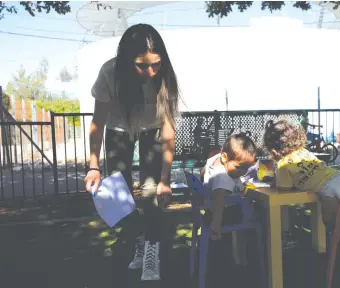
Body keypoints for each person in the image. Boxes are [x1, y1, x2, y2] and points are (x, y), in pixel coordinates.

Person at [84, 24, 180, 281]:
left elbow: (168, 130)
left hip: (153, 131)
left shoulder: (166, 76)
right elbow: (98, 121)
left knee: (152, 193)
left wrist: (165, 179)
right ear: (127, 60)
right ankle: (140, 236)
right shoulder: (110, 72)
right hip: (118, 128)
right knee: (118, 194)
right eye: (141, 65)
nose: (150, 71)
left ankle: (151, 248)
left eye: (156, 64)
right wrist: (94, 166)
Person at [263, 119, 340, 231]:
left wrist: (275, 182)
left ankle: (339, 241)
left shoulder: (282, 165)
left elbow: (285, 188)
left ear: (272, 149)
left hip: (330, 191)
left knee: (332, 226)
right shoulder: (304, 151)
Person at [201, 133, 258, 240]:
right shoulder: (223, 177)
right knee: (262, 214)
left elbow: (203, 171)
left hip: (209, 211)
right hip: (226, 215)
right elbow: (219, 200)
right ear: (224, 157)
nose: (242, 172)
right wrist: (216, 223)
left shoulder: (214, 159)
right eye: (239, 167)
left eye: (246, 168)